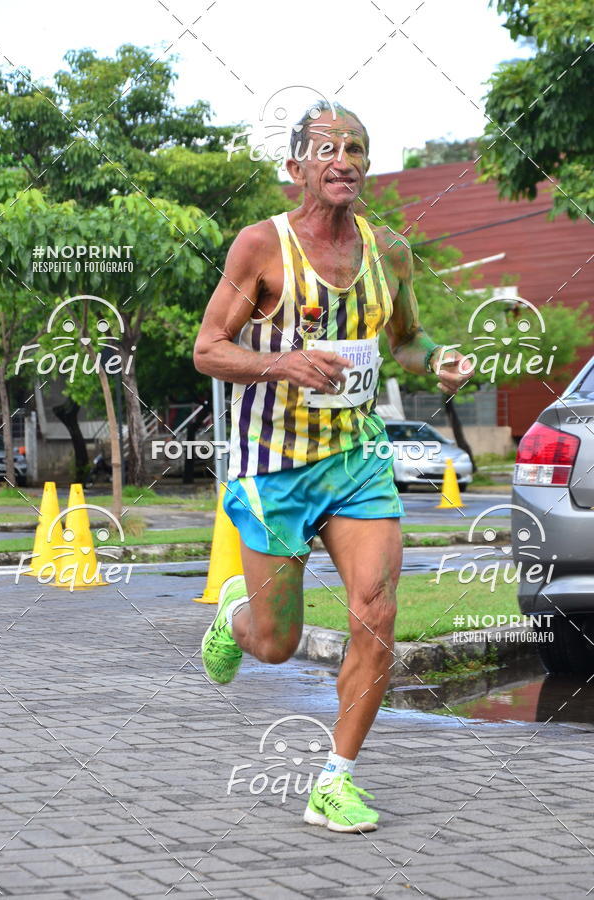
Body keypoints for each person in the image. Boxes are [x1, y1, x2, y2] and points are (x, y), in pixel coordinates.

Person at [193, 102, 474, 833]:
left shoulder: (393, 252)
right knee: (278, 645)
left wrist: (438, 360)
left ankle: (335, 781)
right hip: (271, 465)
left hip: (357, 458)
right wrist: (281, 361)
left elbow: (408, 342)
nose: (344, 158)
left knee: (376, 614)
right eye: (327, 148)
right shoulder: (259, 246)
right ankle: (237, 615)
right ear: (297, 169)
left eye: (356, 147)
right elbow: (208, 349)